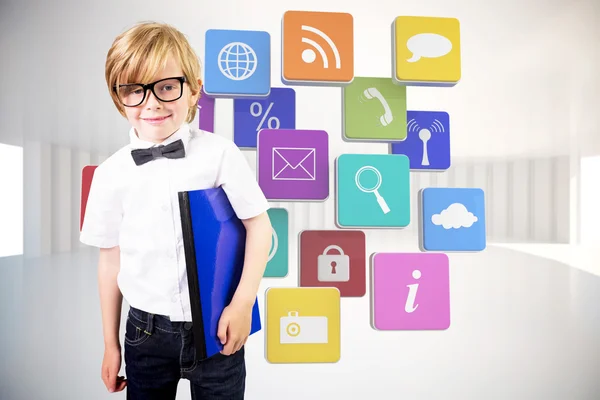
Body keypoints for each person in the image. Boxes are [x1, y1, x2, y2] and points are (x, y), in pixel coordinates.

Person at [80, 21, 272, 399]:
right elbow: (109, 262)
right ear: (119, 97)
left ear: (194, 89)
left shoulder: (219, 154)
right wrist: (110, 343)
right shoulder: (109, 174)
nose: (151, 102)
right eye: (134, 90)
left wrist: (243, 302)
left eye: (166, 87)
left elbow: (260, 228)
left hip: (217, 324)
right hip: (145, 334)